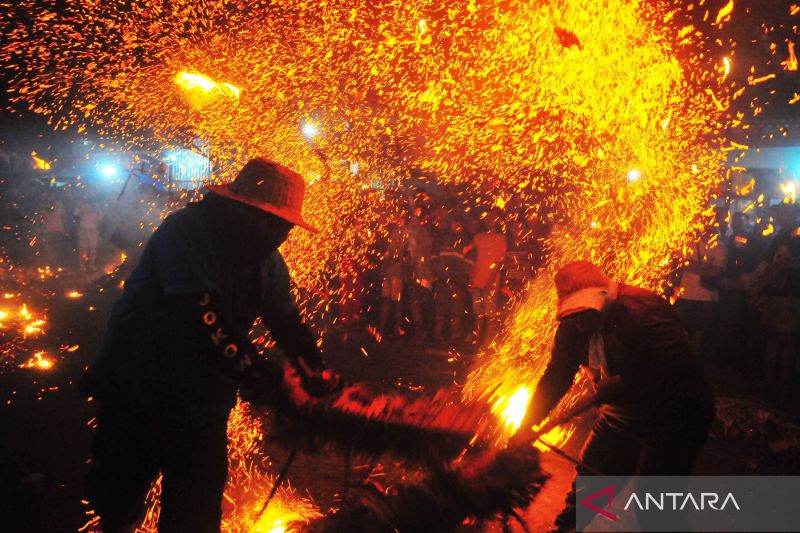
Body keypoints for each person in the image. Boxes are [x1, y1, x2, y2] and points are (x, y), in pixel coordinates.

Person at [80, 158, 341, 532]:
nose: (280, 235)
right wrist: (273, 381)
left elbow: (286, 322)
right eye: (272, 223)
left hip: (202, 405)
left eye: (285, 227)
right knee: (119, 503)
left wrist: (315, 371)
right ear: (240, 210)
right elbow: (203, 320)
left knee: (195, 516)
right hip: (137, 392)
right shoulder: (186, 234)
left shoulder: (266, 261)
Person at [513, 261, 715, 532]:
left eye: (585, 314)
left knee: (654, 501)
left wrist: (626, 381)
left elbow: (678, 367)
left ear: (603, 295)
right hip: (620, 412)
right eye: (574, 314)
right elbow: (556, 376)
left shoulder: (643, 309)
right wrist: (528, 423)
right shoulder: (574, 324)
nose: (581, 323)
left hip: (675, 415)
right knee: (591, 481)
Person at [674, 235, 727, 359]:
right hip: (686, 294)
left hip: (707, 297)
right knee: (681, 328)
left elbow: (716, 271)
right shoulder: (689, 243)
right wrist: (705, 268)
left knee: (700, 330)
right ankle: (681, 357)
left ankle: (693, 358)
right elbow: (683, 264)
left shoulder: (721, 248)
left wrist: (694, 266)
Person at [465, 209, 507, 344]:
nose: (490, 220)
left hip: (491, 280)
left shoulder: (500, 239)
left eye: (493, 218)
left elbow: (498, 262)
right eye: (488, 217)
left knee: (490, 311)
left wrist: (491, 280)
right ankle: (477, 336)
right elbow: (473, 258)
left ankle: (489, 338)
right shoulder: (479, 237)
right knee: (478, 310)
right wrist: (471, 277)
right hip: (477, 279)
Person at [74, 194, 103, 272]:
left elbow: (100, 217)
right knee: (83, 249)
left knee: (93, 248)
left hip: (93, 229)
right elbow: (76, 216)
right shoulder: (80, 205)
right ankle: (82, 266)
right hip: (83, 229)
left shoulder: (95, 206)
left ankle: (92, 265)